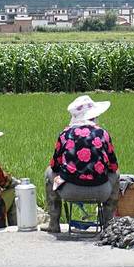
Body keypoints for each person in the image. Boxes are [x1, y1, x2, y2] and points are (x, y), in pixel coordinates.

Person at [45, 95, 120, 233]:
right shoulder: (103, 134)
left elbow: (55, 165)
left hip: (69, 191)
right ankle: (108, 224)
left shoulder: (65, 134)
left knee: (49, 172)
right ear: (94, 116)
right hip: (101, 191)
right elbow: (113, 166)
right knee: (117, 174)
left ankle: (54, 223)